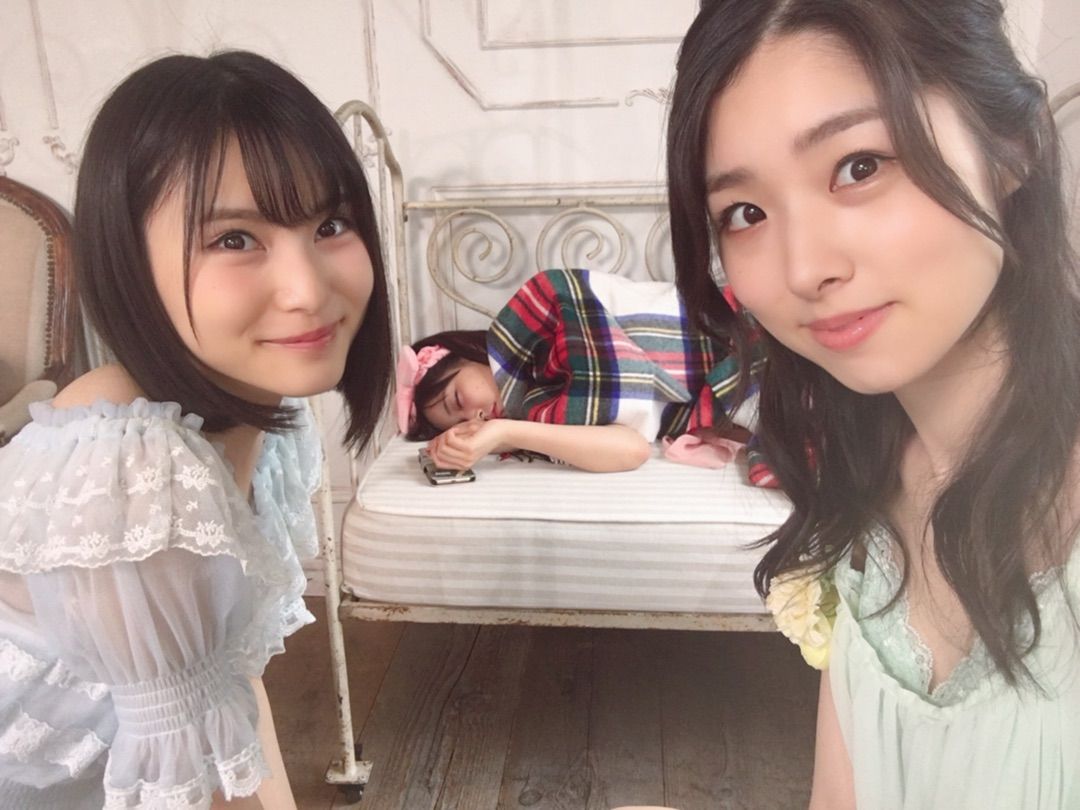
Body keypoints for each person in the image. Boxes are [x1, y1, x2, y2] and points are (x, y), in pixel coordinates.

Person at [667, 1, 1079, 808]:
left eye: (859, 166)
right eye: (745, 214)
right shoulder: (864, 488)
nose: (803, 269)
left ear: (1011, 148)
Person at [0, 51, 391, 808]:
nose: (308, 290)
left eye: (331, 224)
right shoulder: (127, 463)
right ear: (127, 260)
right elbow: (190, 781)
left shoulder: (264, 415)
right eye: (234, 239)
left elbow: (228, 688)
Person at [399, 267, 764, 475]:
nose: (475, 416)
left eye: (457, 399)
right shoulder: (536, 409)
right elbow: (632, 448)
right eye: (460, 422)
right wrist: (503, 433)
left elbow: (582, 305)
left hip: (732, 330)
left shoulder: (545, 313)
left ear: (467, 354)